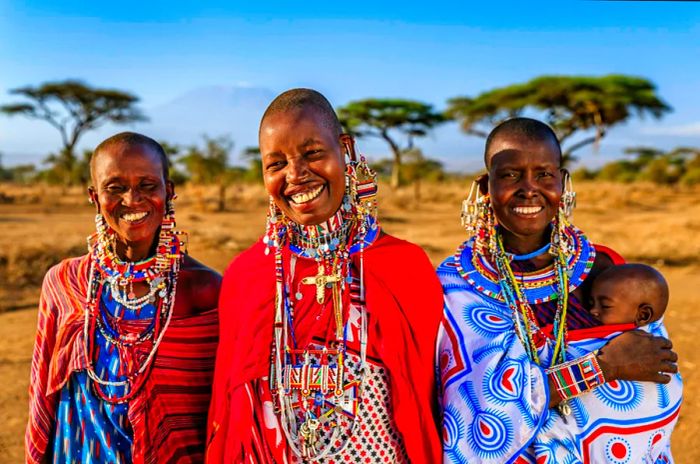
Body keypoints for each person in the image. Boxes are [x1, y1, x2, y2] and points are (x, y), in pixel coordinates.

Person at [207, 89, 443, 463]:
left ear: (345, 150)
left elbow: (426, 404)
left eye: (312, 153)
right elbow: (232, 414)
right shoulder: (246, 277)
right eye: (276, 164)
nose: (296, 175)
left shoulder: (404, 267)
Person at [437, 118, 681, 463]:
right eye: (509, 175)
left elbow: (654, 364)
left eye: (544, 174)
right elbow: (475, 414)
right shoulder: (457, 284)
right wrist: (601, 368)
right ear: (484, 186)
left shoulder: (605, 269)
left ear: (564, 182)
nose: (528, 188)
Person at [26, 132, 221, 464]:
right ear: (94, 196)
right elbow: (42, 398)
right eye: (115, 187)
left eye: (147, 185)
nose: (132, 200)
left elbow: (221, 414)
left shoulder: (205, 291)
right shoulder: (65, 282)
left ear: (168, 191)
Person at [589, 263, 668, 327]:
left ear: (643, 315)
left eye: (605, 305)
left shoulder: (635, 343)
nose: (592, 311)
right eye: (591, 303)